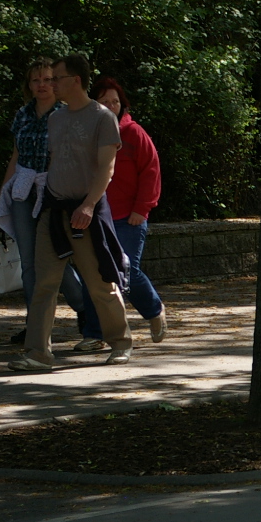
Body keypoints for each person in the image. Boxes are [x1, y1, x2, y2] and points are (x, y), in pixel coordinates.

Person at [8, 54, 132, 372]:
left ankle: (121, 343)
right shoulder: (56, 119)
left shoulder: (102, 117)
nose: (51, 83)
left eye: (57, 78)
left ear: (74, 80)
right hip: (54, 210)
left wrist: (89, 205)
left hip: (85, 212)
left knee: (99, 283)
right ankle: (38, 353)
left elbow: (107, 168)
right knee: (43, 284)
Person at [0, 58, 92, 346]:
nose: (42, 85)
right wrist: (3, 194)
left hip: (54, 193)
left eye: (48, 79)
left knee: (56, 258)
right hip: (23, 193)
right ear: (29, 84)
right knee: (29, 263)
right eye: (36, 80)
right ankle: (36, 327)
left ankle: (86, 311)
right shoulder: (23, 115)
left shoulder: (66, 115)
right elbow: (16, 155)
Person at [76, 78, 166, 342]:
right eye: (105, 102)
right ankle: (94, 334)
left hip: (129, 217)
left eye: (115, 101)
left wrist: (142, 209)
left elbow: (151, 172)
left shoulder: (134, 133)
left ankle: (154, 310)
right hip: (95, 216)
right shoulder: (87, 134)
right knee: (93, 275)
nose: (111, 106)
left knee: (126, 271)